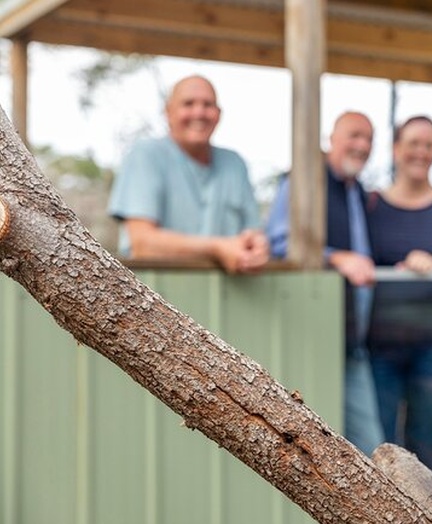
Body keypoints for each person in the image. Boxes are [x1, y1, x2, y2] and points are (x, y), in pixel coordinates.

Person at [265, 111, 384, 456]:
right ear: (331, 138)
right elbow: (277, 242)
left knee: (372, 448)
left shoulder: (358, 191)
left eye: (368, 139)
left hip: (353, 343)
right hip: (311, 338)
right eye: (353, 136)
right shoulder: (303, 180)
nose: (361, 145)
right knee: (314, 452)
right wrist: (336, 258)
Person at [366, 115, 432, 475]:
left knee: (425, 443)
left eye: (429, 145)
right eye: (413, 143)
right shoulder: (372, 205)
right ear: (396, 149)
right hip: (380, 345)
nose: (421, 152)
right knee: (379, 443)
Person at [109, 75, 268, 274]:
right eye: (188, 104)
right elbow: (142, 244)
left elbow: (252, 234)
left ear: (219, 114)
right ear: (168, 112)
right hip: (151, 297)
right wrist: (217, 248)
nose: (199, 112)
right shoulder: (145, 154)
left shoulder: (234, 163)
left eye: (208, 104)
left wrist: (256, 248)